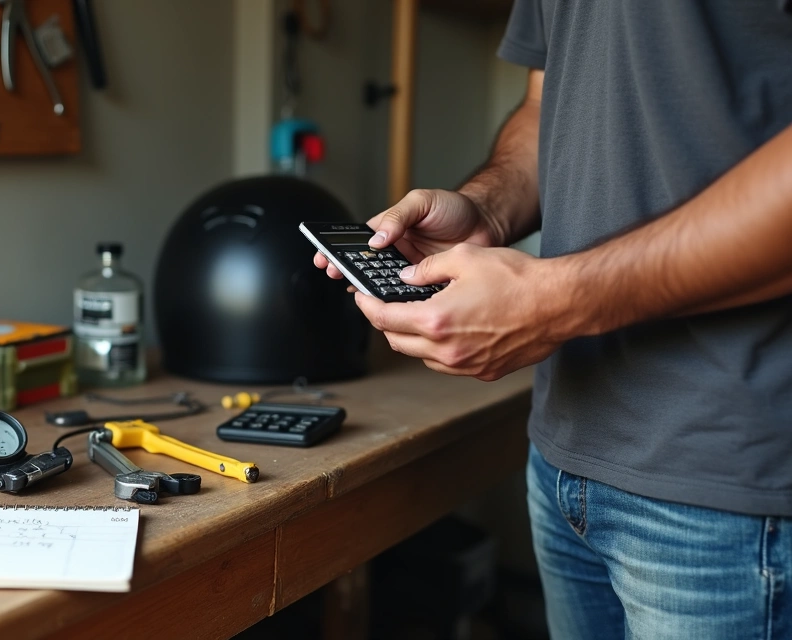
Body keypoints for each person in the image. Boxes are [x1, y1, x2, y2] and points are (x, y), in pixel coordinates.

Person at [314, 1, 792, 637]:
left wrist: (553, 301)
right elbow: (547, 105)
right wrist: (484, 210)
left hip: (725, 482)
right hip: (565, 457)